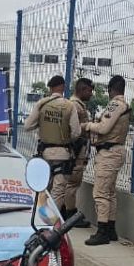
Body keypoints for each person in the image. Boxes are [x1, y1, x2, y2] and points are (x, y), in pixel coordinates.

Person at [22, 75, 83, 212]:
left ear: (50, 88)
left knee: (43, 187)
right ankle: (52, 220)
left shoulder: (42, 104)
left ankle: (39, 214)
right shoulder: (70, 105)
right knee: (58, 190)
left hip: (45, 153)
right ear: (63, 87)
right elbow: (76, 132)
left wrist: (41, 124)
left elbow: (27, 126)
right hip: (63, 154)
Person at [84, 75, 132, 246]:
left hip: (109, 152)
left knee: (101, 193)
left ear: (111, 89)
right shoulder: (123, 105)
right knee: (110, 192)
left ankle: (102, 231)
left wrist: (88, 126)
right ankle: (110, 229)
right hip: (115, 151)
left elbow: (104, 128)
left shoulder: (115, 104)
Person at [64, 78, 94, 228]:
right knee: (73, 181)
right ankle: (70, 213)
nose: (91, 94)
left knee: (71, 181)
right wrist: (90, 126)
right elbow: (73, 128)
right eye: (89, 90)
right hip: (76, 149)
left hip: (76, 148)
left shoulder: (75, 104)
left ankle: (66, 211)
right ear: (82, 90)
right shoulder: (75, 105)